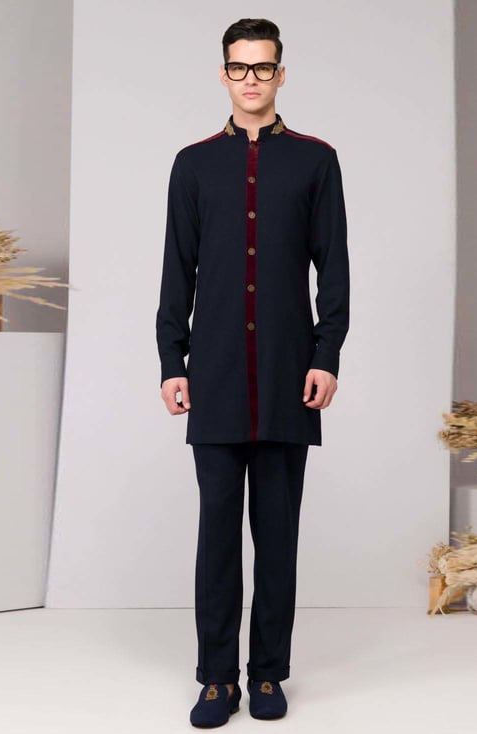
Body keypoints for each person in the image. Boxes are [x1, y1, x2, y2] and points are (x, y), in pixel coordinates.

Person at [156, 17, 350, 728]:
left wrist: (326, 355)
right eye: (239, 68)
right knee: (216, 537)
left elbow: (334, 270)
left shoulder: (316, 161)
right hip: (212, 375)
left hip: (287, 377)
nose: (250, 80)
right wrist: (171, 360)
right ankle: (216, 679)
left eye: (262, 68)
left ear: (280, 75)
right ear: (223, 74)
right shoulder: (193, 164)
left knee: (277, 536)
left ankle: (268, 673)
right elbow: (177, 271)